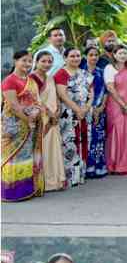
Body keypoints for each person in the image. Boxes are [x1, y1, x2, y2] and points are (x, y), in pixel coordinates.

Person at [1, 50, 43, 202]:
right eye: (24, 60)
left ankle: (25, 190)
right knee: (13, 157)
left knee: (26, 156)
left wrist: (36, 112)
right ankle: (11, 193)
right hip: (13, 127)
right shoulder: (9, 81)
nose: (27, 64)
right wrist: (28, 119)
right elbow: (13, 105)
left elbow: (38, 102)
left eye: (30, 61)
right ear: (15, 61)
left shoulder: (31, 81)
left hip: (30, 125)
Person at [55, 47, 93, 189]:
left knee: (84, 142)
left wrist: (87, 107)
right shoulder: (61, 73)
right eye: (72, 56)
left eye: (77, 56)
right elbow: (62, 95)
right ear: (65, 58)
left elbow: (91, 92)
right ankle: (71, 177)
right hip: (69, 114)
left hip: (85, 113)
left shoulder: (85, 73)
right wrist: (77, 109)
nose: (76, 58)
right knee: (70, 144)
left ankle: (81, 175)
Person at [30, 51, 66, 192]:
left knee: (53, 149)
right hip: (42, 119)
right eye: (43, 61)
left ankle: (56, 180)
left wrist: (57, 111)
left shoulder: (50, 78)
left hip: (53, 119)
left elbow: (56, 96)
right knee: (42, 149)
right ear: (36, 61)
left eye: (49, 61)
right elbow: (35, 99)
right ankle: (43, 182)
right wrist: (50, 113)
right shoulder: (31, 79)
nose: (47, 64)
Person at [104, 45, 127, 174]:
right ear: (114, 55)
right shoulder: (109, 68)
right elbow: (111, 88)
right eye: (120, 53)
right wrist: (123, 104)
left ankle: (126, 165)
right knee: (117, 132)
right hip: (116, 105)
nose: (123, 55)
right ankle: (115, 165)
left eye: (125, 53)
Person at [83, 46, 108, 179]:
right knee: (86, 139)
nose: (94, 57)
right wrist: (89, 109)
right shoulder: (81, 73)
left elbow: (106, 92)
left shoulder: (101, 72)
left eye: (96, 55)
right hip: (85, 111)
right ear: (85, 56)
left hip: (99, 111)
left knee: (98, 139)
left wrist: (101, 108)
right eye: (91, 55)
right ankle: (86, 168)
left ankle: (98, 167)